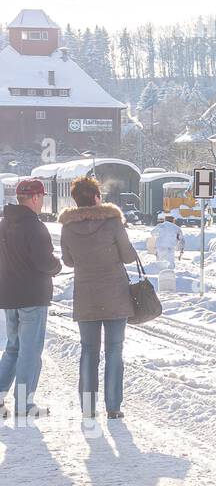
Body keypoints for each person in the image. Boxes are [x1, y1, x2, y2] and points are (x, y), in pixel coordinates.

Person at [58, 176, 136, 420]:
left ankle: (88, 407)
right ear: (96, 198)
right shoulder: (113, 223)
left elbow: (68, 261)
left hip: (86, 297)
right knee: (114, 350)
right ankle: (113, 407)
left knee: (88, 351)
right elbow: (128, 256)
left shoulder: (68, 227)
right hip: (116, 296)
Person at [0, 179, 62, 418]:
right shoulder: (35, 227)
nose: (43, 201)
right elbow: (44, 262)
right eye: (42, 197)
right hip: (33, 297)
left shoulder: (4, 224)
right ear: (35, 198)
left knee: (13, 348)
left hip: (8, 295)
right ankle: (24, 405)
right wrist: (56, 265)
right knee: (30, 350)